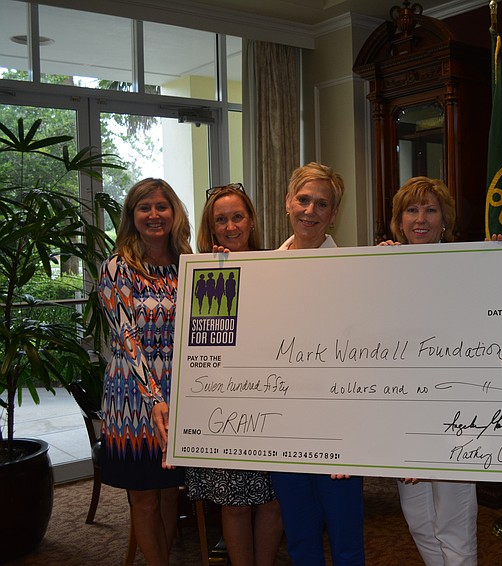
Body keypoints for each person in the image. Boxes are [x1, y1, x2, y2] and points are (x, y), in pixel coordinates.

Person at [269, 162, 366, 565]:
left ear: (333, 213)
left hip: (335, 424)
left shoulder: (354, 271)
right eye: (303, 199)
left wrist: (349, 437)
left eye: (321, 203)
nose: (310, 210)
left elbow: (365, 357)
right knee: (300, 539)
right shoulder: (264, 268)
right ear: (288, 202)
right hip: (284, 425)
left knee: (345, 541)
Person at [380, 177, 478, 566]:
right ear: (399, 219)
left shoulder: (465, 267)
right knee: (419, 520)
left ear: (444, 219)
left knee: (453, 523)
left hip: (453, 413)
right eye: (412, 209)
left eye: (431, 210)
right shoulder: (383, 266)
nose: (421, 219)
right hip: (404, 414)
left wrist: (501, 256)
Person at [184, 182, 283, 566]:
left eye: (237, 216)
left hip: (274, 402)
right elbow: (206, 344)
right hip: (223, 408)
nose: (230, 226)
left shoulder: (278, 265)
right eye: (220, 219)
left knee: (274, 500)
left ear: (252, 220)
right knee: (234, 502)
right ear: (210, 228)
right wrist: (217, 272)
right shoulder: (202, 273)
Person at [98, 178, 192, 566]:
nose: (154, 215)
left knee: (171, 491)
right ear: (132, 216)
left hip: (180, 392)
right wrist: (154, 398)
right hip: (132, 400)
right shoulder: (117, 267)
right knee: (144, 496)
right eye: (144, 208)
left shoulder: (187, 263)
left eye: (161, 206)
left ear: (174, 213)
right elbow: (127, 338)